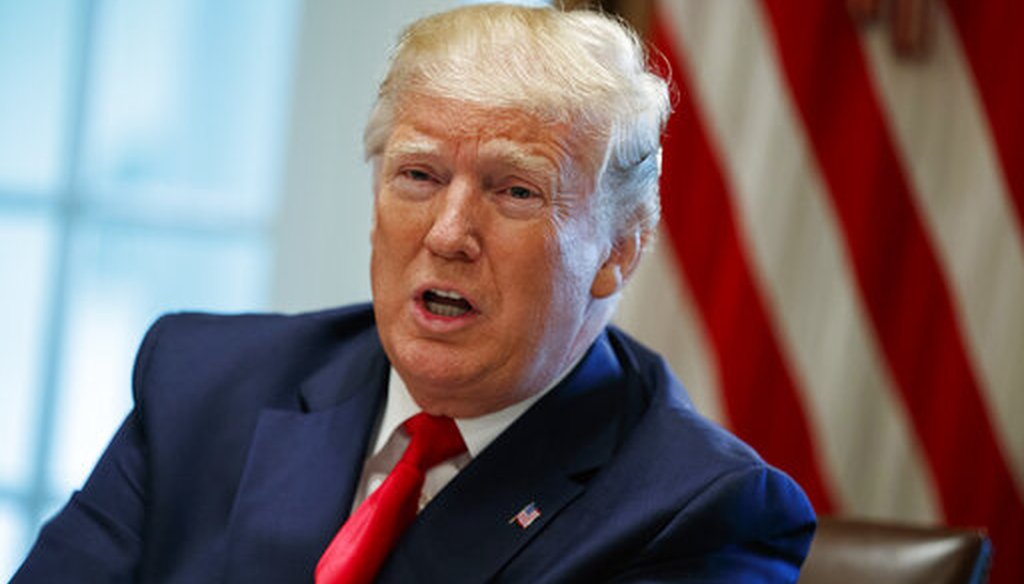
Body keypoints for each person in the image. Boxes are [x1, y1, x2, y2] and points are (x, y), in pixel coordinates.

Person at [13, 4, 815, 583]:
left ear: (618, 251)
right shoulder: (201, 381)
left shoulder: (699, 513)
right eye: (419, 176)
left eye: (514, 192)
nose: (447, 232)